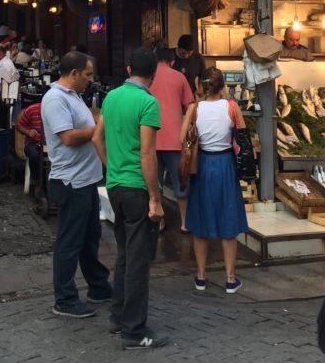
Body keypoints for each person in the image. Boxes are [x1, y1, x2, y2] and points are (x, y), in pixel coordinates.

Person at [92, 48, 166, 350]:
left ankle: (118, 316)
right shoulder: (148, 102)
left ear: (128, 68)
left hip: (115, 185)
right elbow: (148, 153)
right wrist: (155, 197)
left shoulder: (111, 97)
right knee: (138, 260)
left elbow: (97, 137)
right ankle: (135, 331)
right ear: (154, 74)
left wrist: (113, 167)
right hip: (137, 188)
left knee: (124, 253)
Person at [41, 51, 111, 319]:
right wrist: (99, 129)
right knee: (70, 242)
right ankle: (65, 299)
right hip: (70, 181)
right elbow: (68, 137)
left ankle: (98, 286)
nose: (90, 79)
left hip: (86, 180)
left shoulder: (73, 96)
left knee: (89, 238)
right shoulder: (55, 99)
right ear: (74, 74)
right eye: (88, 74)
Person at [181, 67, 249, 292]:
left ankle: (200, 276)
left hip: (201, 165)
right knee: (228, 216)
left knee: (201, 219)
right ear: (222, 87)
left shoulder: (195, 108)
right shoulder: (232, 106)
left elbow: (182, 138)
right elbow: (243, 138)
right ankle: (230, 279)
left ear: (202, 85)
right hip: (226, 165)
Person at [148, 48, 194, 233]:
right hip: (176, 139)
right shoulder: (179, 77)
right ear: (172, 61)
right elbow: (190, 107)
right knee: (180, 182)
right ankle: (185, 223)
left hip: (151, 138)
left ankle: (159, 221)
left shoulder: (147, 77)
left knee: (154, 183)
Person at [15, 101, 44, 196]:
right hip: (33, 142)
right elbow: (19, 125)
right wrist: (28, 132)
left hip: (49, 143)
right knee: (35, 156)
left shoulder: (56, 112)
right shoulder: (31, 110)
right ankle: (37, 182)